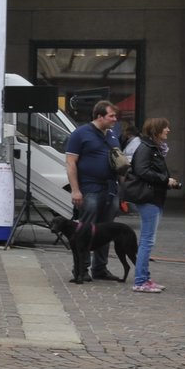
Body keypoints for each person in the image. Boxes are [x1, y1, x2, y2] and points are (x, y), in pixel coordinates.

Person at [63, 100, 123, 281]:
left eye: (115, 116)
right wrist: (75, 190)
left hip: (110, 189)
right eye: (111, 116)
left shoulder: (112, 135)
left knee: (105, 231)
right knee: (85, 231)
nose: (115, 119)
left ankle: (100, 269)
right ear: (99, 116)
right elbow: (70, 163)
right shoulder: (80, 134)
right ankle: (82, 270)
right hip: (89, 189)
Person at [123, 117, 179, 293]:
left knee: (147, 240)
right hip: (149, 198)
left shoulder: (153, 148)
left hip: (154, 197)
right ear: (156, 130)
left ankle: (145, 278)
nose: (168, 130)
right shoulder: (147, 148)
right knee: (147, 240)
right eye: (165, 127)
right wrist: (165, 179)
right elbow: (142, 170)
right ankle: (140, 281)